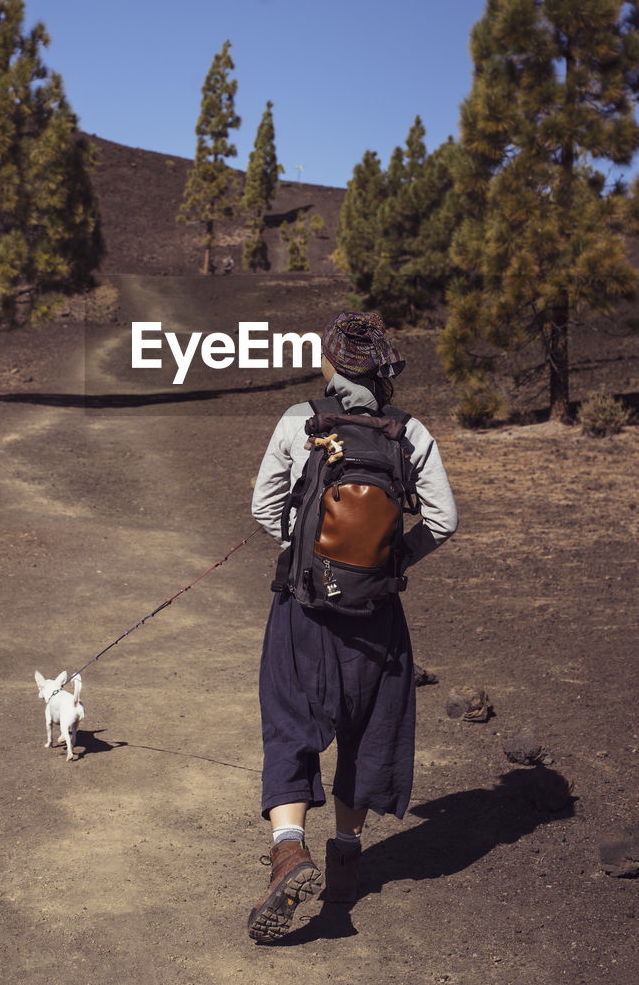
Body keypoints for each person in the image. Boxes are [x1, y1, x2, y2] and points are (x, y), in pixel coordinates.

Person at [246, 310, 458, 943]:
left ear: (331, 363)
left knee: (290, 718)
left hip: (303, 607)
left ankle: (289, 850)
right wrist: (391, 561)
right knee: (367, 731)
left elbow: (264, 508)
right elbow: (443, 520)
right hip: (377, 613)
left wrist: (310, 549)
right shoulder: (410, 432)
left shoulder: (298, 421)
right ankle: (344, 858)